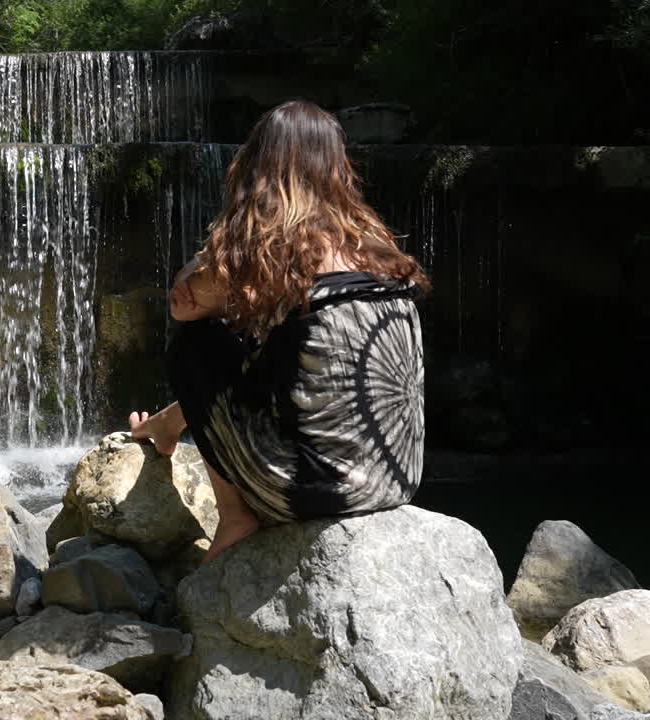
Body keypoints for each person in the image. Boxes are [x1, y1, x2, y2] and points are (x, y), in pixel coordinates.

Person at [128, 100, 431, 565]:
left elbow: (184, 303)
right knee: (264, 343)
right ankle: (166, 428)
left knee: (199, 343)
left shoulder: (266, 248)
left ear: (256, 163)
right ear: (336, 169)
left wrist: (228, 234)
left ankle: (234, 516)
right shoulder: (373, 247)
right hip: (397, 478)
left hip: (317, 491)